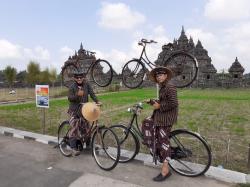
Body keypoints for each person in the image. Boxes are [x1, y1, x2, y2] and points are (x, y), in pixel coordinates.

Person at [148, 66, 178, 182]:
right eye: (157, 75)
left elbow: (174, 103)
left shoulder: (170, 87)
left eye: (160, 75)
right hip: (161, 116)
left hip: (166, 119)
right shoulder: (163, 87)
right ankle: (161, 155)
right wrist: (152, 102)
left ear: (166, 76)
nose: (158, 77)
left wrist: (159, 106)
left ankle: (165, 170)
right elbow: (164, 101)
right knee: (155, 134)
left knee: (163, 142)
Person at [67, 70, 100, 156]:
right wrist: (77, 95)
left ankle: (88, 145)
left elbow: (92, 93)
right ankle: (73, 148)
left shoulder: (87, 85)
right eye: (77, 77)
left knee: (87, 128)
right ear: (74, 78)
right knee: (74, 128)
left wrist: (97, 101)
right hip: (74, 110)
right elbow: (70, 98)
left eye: (81, 77)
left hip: (85, 110)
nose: (79, 79)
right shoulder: (72, 87)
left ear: (83, 77)